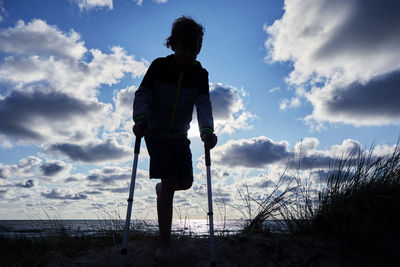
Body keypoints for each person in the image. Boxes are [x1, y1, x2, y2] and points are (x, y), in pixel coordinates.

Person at [132, 16, 217, 264]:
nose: (190, 54)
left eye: (196, 49)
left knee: (185, 182)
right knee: (169, 180)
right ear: (174, 44)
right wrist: (141, 118)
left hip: (181, 136)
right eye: (186, 48)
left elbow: (203, 105)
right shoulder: (159, 66)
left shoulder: (200, 75)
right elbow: (143, 94)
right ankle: (164, 246)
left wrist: (207, 130)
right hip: (156, 134)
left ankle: (162, 190)